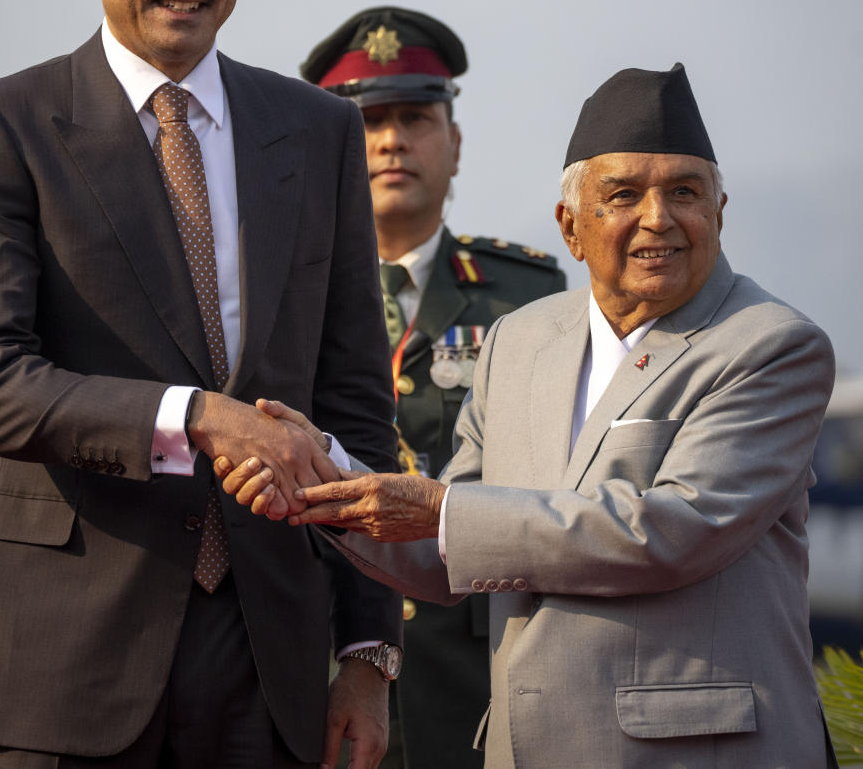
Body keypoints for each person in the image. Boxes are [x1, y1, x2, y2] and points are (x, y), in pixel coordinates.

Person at [0, 0, 403, 769]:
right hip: (68, 664)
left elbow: (355, 401)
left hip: (273, 664)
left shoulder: (316, 134)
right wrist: (204, 421)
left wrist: (364, 652)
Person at [220, 63, 839, 768]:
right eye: (625, 194)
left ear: (720, 216)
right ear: (571, 228)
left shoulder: (770, 344)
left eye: (685, 192)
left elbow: (673, 530)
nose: (658, 218)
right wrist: (319, 478)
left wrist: (444, 513)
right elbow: (444, 553)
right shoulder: (519, 341)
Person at [301, 6, 565, 768]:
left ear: (454, 144)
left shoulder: (529, 295)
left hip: (476, 661)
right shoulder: (277, 296)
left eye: (415, 117)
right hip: (321, 647)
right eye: (368, 121)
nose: (389, 140)